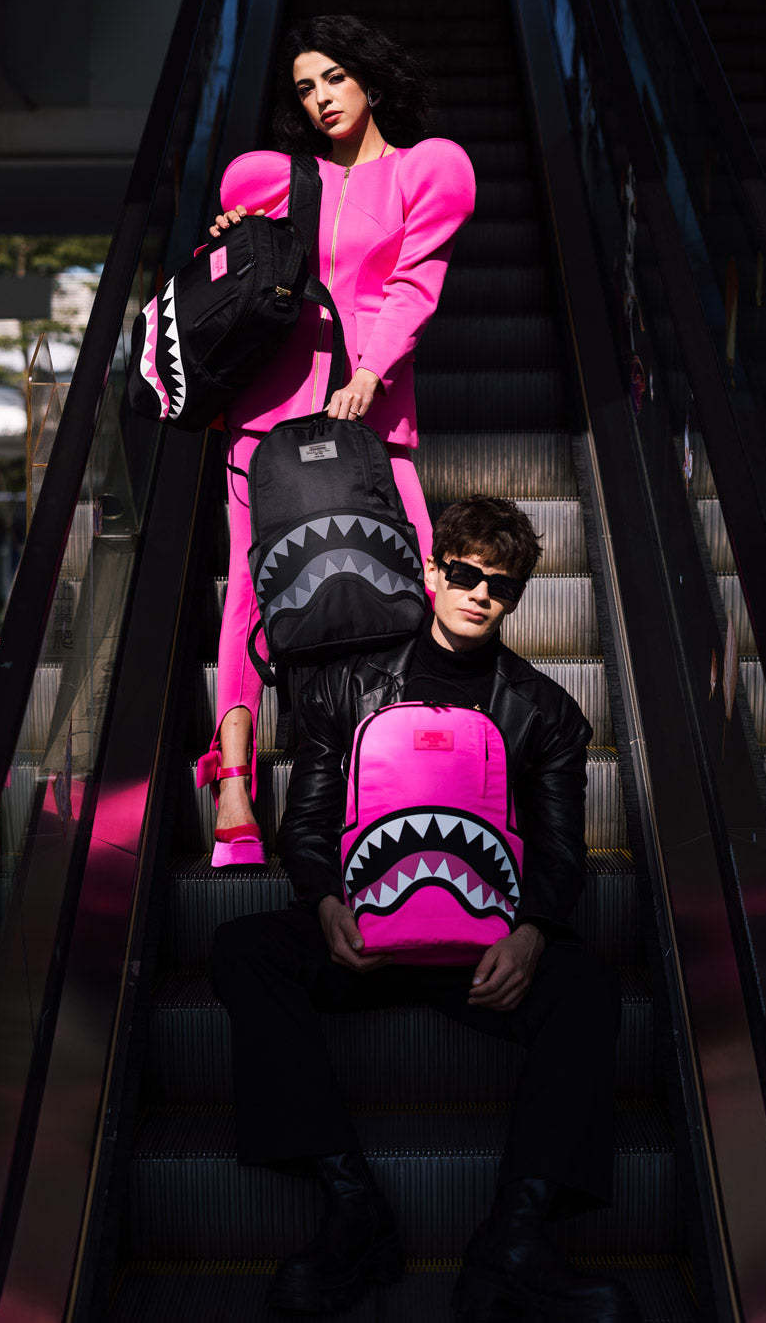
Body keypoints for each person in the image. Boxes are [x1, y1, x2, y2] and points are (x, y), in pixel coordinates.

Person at [211, 497, 639, 1322]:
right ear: (436, 572)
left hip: (479, 952)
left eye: (501, 586)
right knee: (242, 949)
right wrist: (326, 904)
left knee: (587, 987)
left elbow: (560, 852)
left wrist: (531, 934)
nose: (481, 595)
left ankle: (516, 1240)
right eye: (468, 574)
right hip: (362, 936)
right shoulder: (345, 687)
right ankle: (351, 1207)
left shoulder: (547, 712)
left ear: (516, 599)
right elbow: (307, 825)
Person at [196, 15, 476, 866]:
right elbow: (244, 279)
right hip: (265, 415)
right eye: (305, 88)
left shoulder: (427, 170)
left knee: (413, 570)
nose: (320, 98)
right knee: (250, 591)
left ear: (370, 81)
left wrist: (372, 371)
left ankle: (408, 764)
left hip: (370, 415)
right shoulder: (280, 180)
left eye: (334, 78)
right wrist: (231, 242)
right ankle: (234, 787)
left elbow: (415, 285)